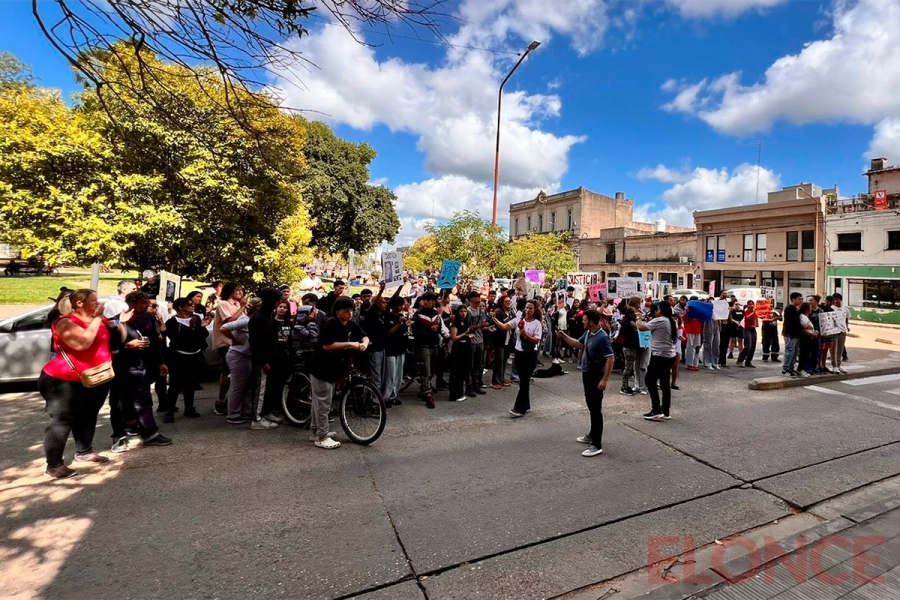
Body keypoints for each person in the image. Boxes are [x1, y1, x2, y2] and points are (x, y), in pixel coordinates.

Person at [39, 289, 116, 478]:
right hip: (63, 380)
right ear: (79, 303)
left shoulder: (100, 319)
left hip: (96, 377)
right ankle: (54, 464)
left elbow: (111, 339)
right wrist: (98, 318)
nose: (98, 304)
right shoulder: (64, 322)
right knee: (62, 421)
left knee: (89, 415)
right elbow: (82, 343)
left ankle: (84, 452)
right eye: (94, 301)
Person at [309, 297, 369, 449]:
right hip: (322, 367)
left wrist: (364, 344)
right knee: (323, 403)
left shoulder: (350, 324)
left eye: (351, 310)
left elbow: (364, 335)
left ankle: (317, 431)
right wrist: (349, 344)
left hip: (335, 368)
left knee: (321, 402)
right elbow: (327, 346)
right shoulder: (331, 323)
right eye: (346, 311)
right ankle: (321, 437)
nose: (350, 313)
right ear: (337, 312)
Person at [117, 291, 173, 446]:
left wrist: (161, 362)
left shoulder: (148, 317)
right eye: (143, 303)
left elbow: (155, 343)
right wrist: (127, 345)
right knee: (127, 401)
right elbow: (112, 346)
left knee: (144, 400)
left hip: (144, 366)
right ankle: (130, 427)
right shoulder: (118, 320)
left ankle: (149, 432)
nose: (147, 306)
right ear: (132, 304)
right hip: (126, 367)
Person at [557, 310, 614, 457]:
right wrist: (563, 335)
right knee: (591, 406)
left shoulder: (602, 337)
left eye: (584, 319)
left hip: (596, 375)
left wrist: (605, 379)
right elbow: (577, 343)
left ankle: (597, 444)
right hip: (587, 374)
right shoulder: (589, 333)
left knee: (596, 409)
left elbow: (610, 358)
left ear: (592, 322)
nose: (582, 322)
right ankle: (592, 434)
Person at [161, 298, 209, 421]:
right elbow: (175, 338)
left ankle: (189, 408)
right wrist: (191, 329)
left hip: (195, 355)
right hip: (178, 356)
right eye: (189, 304)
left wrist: (202, 327)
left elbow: (203, 336)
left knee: (191, 383)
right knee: (175, 384)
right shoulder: (172, 322)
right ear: (180, 307)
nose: (192, 306)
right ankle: (170, 410)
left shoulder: (196, 319)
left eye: (192, 304)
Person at [494, 300, 543, 418]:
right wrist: (495, 320)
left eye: (531, 308)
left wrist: (526, 335)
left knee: (525, 380)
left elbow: (537, 340)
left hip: (530, 353)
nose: (528, 310)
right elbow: (505, 326)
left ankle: (519, 407)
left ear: (535, 310)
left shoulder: (537, 323)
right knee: (523, 380)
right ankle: (526, 405)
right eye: (527, 308)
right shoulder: (519, 320)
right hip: (519, 352)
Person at [219, 298, 261, 424]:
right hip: (238, 355)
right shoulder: (244, 320)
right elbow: (224, 328)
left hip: (244, 355)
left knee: (244, 385)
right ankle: (233, 414)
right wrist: (234, 340)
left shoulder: (250, 320)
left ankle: (242, 410)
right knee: (237, 386)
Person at [248, 287, 282, 429]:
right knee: (260, 389)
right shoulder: (259, 318)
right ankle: (256, 419)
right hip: (262, 360)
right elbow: (255, 343)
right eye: (277, 301)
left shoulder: (268, 315)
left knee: (268, 388)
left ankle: (265, 412)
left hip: (270, 358)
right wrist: (263, 362)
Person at [212, 283, 246, 415]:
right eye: (236, 290)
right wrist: (243, 307)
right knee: (227, 371)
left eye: (241, 290)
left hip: (239, 343)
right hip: (227, 342)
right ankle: (221, 401)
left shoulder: (238, 305)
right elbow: (229, 322)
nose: (240, 292)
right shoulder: (224, 304)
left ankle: (234, 401)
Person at [642, 301, 678, 422]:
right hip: (669, 355)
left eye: (657, 309)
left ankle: (656, 410)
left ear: (661, 310)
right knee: (664, 384)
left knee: (650, 380)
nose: (655, 311)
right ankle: (665, 411)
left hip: (659, 355)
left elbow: (643, 327)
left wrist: (638, 319)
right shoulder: (672, 321)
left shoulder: (661, 320)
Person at [262, 298, 294, 422]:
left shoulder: (289, 323)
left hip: (285, 355)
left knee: (282, 383)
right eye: (280, 306)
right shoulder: (270, 322)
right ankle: (268, 410)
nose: (282, 309)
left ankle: (281, 407)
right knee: (271, 384)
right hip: (273, 356)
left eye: (285, 307)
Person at [411, 292, 441, 408]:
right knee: (425, 370)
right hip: (423, 346)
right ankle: (428, 394)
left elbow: (439, 330)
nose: (428, 302)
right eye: (426, 300)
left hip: (434, 345)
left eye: (430, 300)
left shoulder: (435, 314)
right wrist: (429, 330)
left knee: (432, 370)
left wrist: (437, 329)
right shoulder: (418, 315)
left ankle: (424, 389)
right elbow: (415, 331)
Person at [383, 296, 408, 406]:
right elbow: (388, 333)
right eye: (400, 305)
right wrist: (398, 324)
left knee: (398, 374)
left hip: (400, 348)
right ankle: (386, 397)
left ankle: (394, 395)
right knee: (390, 374)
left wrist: (406, 325)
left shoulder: (401, 316)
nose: (402, 307)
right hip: (390, 349)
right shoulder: (388, 317)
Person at [448, 306, 474, 402]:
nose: (463, 313)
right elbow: (454, 338)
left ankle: (461, 392)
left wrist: (468, 335)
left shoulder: (467, 323)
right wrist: (464, 334)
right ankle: (454, 394)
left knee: (464, 371)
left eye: (465, 311)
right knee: (456, 372)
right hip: (458, 349)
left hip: (466, 348)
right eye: (461, 311)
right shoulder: (455, 324)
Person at [465, 292, 489, 396]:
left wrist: (487, 327)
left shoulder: (481, 311)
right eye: (476, 297)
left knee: (478, 365)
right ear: (471, 300)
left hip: (480, 339)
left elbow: (482, 326)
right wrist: (480, 326)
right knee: (470, 364)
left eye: (479, 297)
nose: (479, 299)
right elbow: (468, 327)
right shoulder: (468, 311)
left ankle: (476, 384)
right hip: (471, 340)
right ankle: (468, 386)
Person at [490, 295, 514, 388]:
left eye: (509, 301)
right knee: (498, 360)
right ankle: (495, 381)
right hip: (499, 339)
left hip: (508, 338)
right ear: (501, 303)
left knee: (504, 360)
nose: (508, 303)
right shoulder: (498, 312)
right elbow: (496, 324)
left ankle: (501, 378)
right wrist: (507, 320)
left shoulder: (511, 311)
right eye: (506, 301)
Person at [781, 292, 804, 376]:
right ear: (793, 299)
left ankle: (791, 367)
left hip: (796, 334)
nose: (801, 300)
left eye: (802, 299)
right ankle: (786, 367)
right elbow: (792, 322)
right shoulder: (789, 308)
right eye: (799, 299)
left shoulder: (796, 309)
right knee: (790, 350)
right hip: (790, 334)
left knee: (795, 352)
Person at [831, 293, 849, 374]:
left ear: (841, 300)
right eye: (834, 299)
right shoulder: (831, 308)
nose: (836, 301)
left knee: (840, 349)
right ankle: (834, 366)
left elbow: (846, 319)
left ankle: (839, 365)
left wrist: (846, 327)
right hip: (834, 331)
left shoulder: (845, 309)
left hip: (843, 331)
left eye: (837, 299)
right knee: (833, 349)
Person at [737, 300, 758, 368]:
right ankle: (740, 360)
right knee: (748, 346)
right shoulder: (746, 311)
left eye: (752, 304)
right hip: (747, 329)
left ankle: (748, 361)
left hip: (753, 329)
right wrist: (753, 312)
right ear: (748, 305)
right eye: (750, 304)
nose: (751, 305)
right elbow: (747, 317)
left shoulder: (755, 311)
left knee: (753, 346)